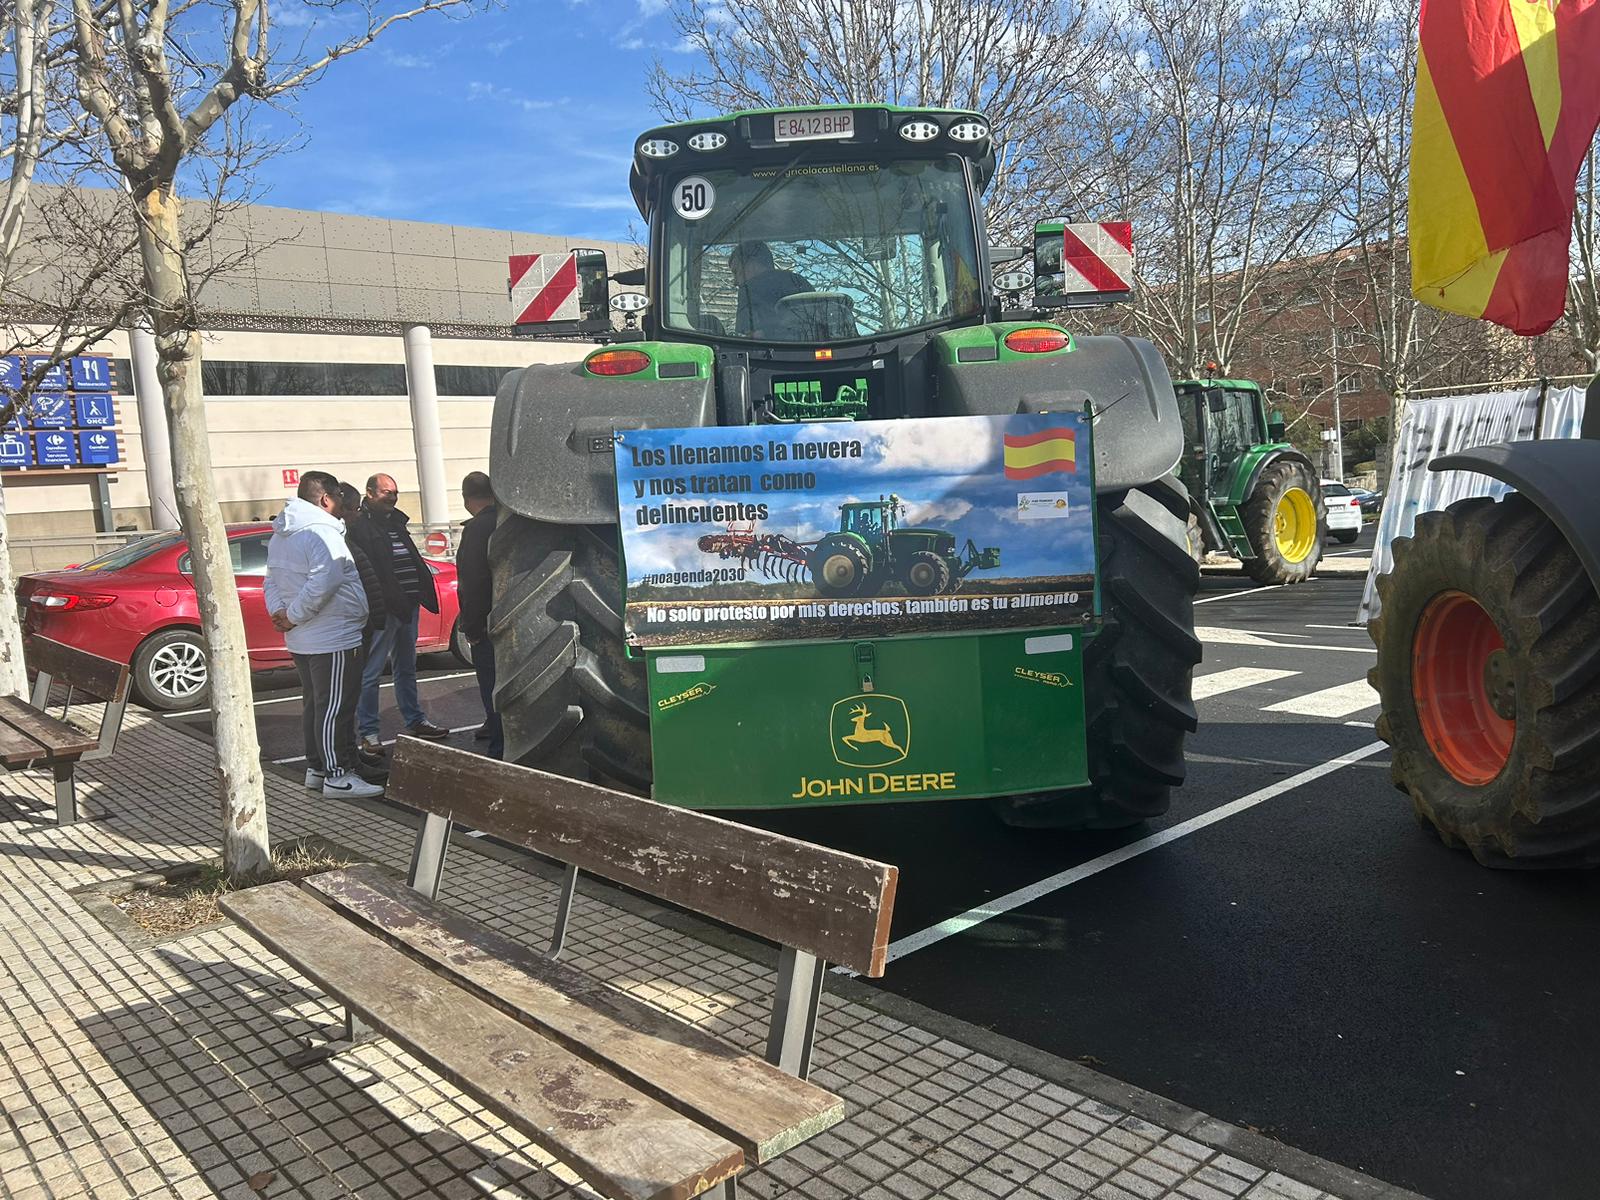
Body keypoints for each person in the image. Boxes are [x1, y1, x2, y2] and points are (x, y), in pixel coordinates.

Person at [263, 471, 383, 799]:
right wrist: (292, 615)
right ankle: (337, 775)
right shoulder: (322, 532)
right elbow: (324, 582)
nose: (344, 508)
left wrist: (284, 614)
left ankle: (319, 767)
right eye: (341, 500)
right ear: (325, 499)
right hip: (333, 636)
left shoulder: (282, 535)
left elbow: (270, 580)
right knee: (335, 707)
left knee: (316, 705)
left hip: (305, 636)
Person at [346, 472, 449, 753]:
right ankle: (369, 733)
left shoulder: (397, 523)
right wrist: (388, 600)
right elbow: (371, 571)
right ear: (369, 493)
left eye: (395, 492)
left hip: (408, 606)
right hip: (385, 609)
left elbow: (411, 559)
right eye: (385, 492)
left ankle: (415, 719)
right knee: (372, 671)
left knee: (406, 667)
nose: (391, 497)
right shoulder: (361, 527)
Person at [456, 471, 502, 759]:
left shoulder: (477, 529)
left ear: (466, 499)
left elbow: (472, 582)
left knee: (492, 684)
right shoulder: (508, 522)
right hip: (512, 618)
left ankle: (498, 746)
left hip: (487, 622)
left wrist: (470, 626)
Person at [729, 240, 812, 338]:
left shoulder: (748, 290)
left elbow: (752, 337)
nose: (735, 282)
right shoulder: (800, 282)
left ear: (752, 265)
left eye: (736, 272)